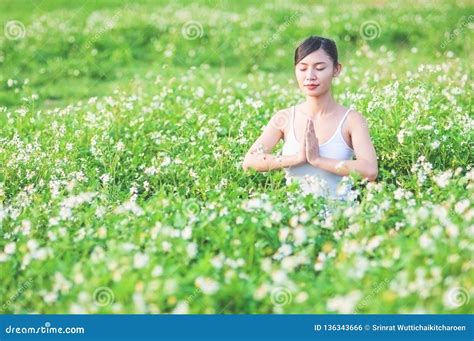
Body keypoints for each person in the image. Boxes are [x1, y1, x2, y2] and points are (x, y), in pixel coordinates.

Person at [242, 36, 378, 200]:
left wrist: (318, 160)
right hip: (295, 220)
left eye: (320, 68)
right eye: (302, 68)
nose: (310, 76)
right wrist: (296, 159)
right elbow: (249, 161)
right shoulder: (284, 118)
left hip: (341, 220)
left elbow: (370, 170)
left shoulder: (352, 120)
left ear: (336, 69)